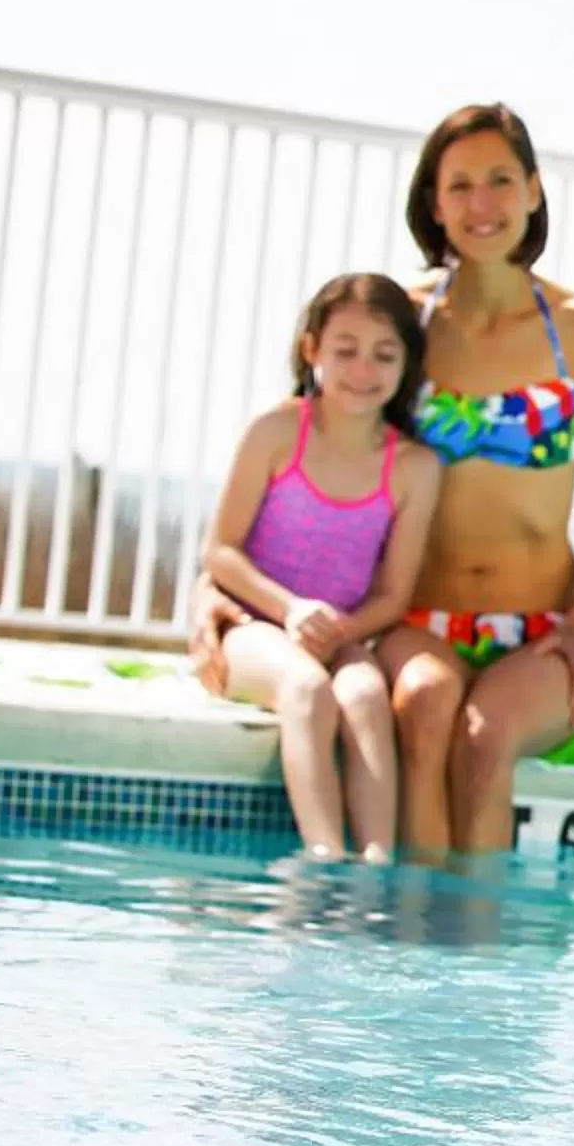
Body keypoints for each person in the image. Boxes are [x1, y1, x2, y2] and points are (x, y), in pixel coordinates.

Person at [194, 103, 574, 857]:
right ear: (434, 203)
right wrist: (221, 593)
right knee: (425, 710)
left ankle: (479, 958)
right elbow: (321, 444)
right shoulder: (407, 321)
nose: (481, 204)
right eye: (458, 185)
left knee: (485, 735)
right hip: (418, 622)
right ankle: (412, 952)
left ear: (534, 190)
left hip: (536, 632)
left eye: (500, 180)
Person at [200, 273, 443, 860]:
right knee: (307, 689)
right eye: (345, 351)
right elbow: (220, 552)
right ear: (312, 351)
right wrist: (292, 613)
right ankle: (323, 863)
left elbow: (392, 595)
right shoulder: (278, 431)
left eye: (384, 355)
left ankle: (375, 869)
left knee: (363, 694)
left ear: (406, 363)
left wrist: (338, 632)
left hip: (342, 637)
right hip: (252, 628)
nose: (364, 370)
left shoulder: (413, 467)